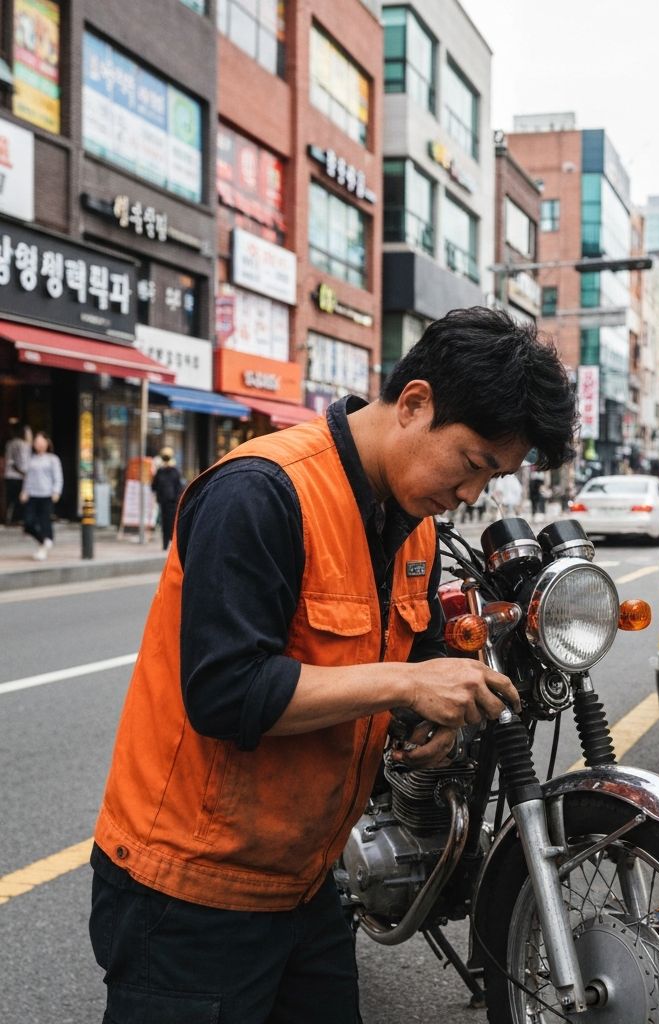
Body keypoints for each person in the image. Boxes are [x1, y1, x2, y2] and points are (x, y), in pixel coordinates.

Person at [89, 306, 577, 1023]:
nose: (473, 492)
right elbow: (227, 692)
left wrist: (421, 710)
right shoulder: (260, 492)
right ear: (414, 403)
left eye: (493, 477)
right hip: (190, 894)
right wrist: (408, 682)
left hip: (308, 882)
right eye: (474, 463)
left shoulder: (411, 526)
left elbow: (387, 651)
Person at [20, 430, 62, 561]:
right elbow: (28, 477)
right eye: (36, 442)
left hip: (46, 495)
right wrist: (24, 491)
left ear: (46, 443)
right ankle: (45, 541)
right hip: (32, 495)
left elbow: (58, 477)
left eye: (40, 441)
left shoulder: (53, 459)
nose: (38, 444)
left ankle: (43, 547)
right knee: (28, 523)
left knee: (45, 522)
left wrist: (56, 491)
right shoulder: (31, 459)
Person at [151, 446, 186, 550]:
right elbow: (179, 487)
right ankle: (169, 544)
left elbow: (154, 486)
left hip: (167, 501)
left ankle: (168, 544)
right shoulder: (173, 471)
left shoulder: (162, 471)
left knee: (167, 523)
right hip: (169, 501)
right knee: (169, 523)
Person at [4, 421, 31, 526]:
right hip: (17, 476)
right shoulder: (21, 444)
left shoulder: (11, 443)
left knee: (12, 499)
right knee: (17, 499)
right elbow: (15, 463)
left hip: (12, 476)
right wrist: (23, 473)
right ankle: (15, 519)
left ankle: (12, 519)